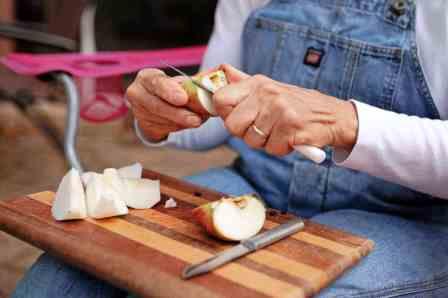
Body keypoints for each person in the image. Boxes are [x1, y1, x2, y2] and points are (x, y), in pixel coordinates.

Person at [13, 0, 448, 297]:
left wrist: (348, 123)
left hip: (411, 217)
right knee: (72, 266)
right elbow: (214, 113)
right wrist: (166, 114)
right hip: (258, 185)